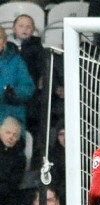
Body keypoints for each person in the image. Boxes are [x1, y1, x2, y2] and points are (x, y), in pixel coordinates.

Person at [8, 14, 45, 145]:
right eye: (21, 26)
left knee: (32, 130)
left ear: (33, 29)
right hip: (10, 95)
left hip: (31, 97)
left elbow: (42, 70)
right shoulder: (6, 48)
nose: (24, 29)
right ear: (13, 28)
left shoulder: (37, 47)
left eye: (28, 27)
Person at [0, 25, 35, 136]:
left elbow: (28, 88)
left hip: (10, 118)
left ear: (4, 41)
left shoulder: (16, 61)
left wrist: (14, 93)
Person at [0, 116, 27, 205]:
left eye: (15, 135)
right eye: (8, 133)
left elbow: (13, 183)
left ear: (18, 138)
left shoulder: (19, 157)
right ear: (0, 131)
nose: (11, 137)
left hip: (5, 198)